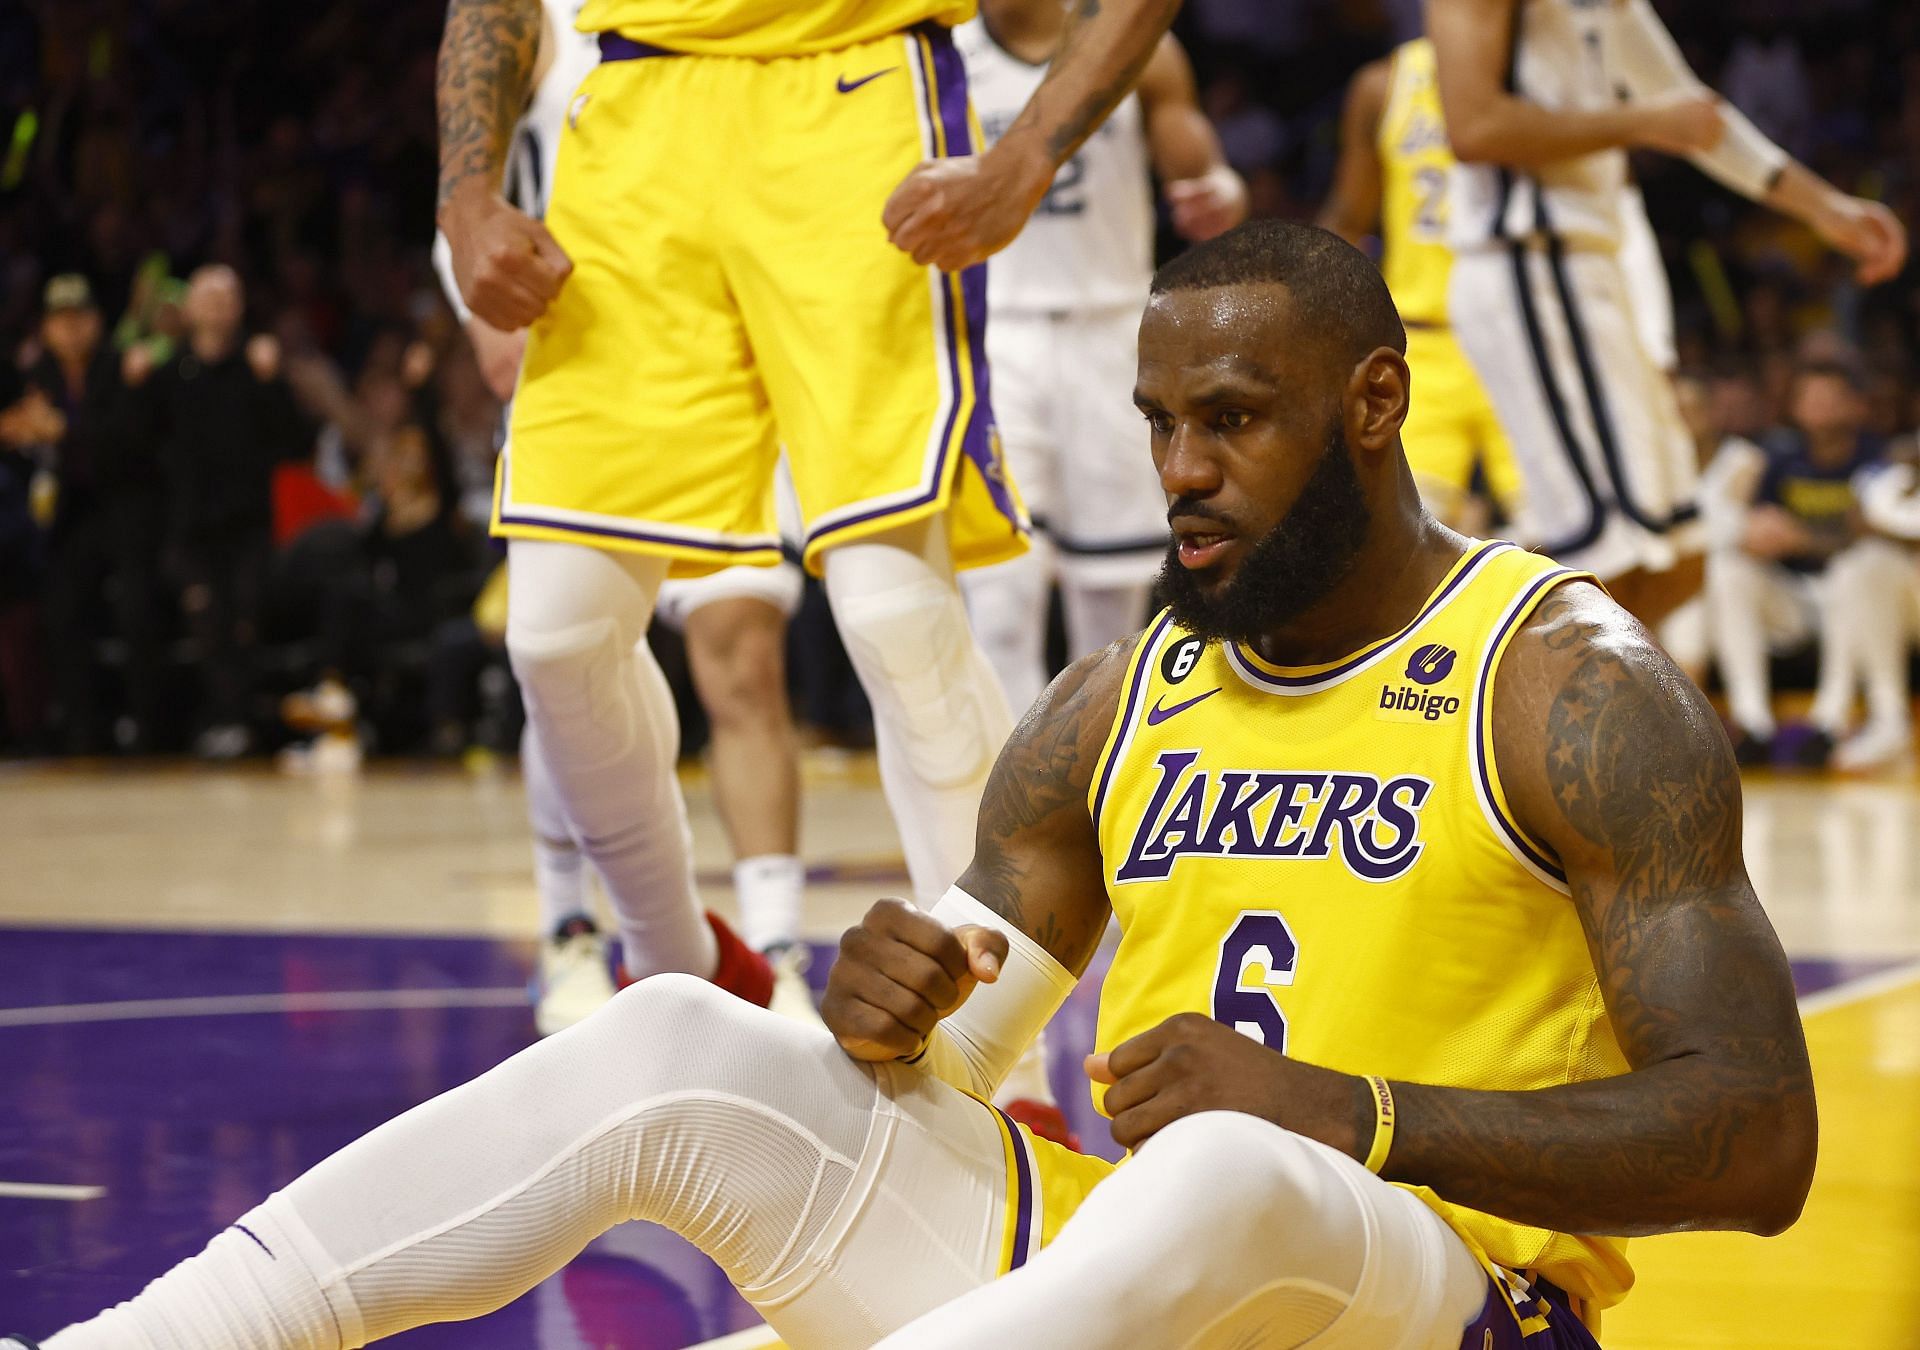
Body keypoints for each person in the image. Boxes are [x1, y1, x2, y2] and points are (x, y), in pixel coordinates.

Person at [45, 222, 1817, 1350]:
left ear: (1373, 402)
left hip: (1451, 1309)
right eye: (1156, 424)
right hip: (1136, 1287)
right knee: (686, 1041)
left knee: (1220, 1170)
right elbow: (956, 1046)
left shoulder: (1569, 687)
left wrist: (1343, 1111)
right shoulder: (1126, 696)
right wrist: (890, 1015)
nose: (1179, 474)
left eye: (1233, 422)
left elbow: (1755, 1141)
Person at [435, 0, 1184, 1127]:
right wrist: (465, 194)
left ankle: (1004, 1072)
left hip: (854, 103)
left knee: (897, 612)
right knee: (556, 630)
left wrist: (1027, 153)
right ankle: (684, 967)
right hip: (631, 119)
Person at [430, 0, 808, 1032]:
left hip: (730, 360)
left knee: (744, 654)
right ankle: (571, 934)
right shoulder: (536, 17)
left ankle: (773, 945)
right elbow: (469, 194)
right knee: (565, 660)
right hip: (586, 358)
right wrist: (479, 312)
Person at [1426, 0, 1908, 629]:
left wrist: (1825, 210)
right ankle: (1477, 699)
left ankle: (1546, 706)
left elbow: (1694, 113)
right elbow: (1475, 126)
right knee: (1597, 562)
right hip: (1526, 265)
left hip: (1593, 267)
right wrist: (1639, 123)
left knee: (1678, 560)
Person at [956, 0, 1246, 717]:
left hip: (1113, 334)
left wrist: (1220, 195)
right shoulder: (946, 53)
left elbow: (1210, 176)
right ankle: (1013, 804)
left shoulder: (1138, 45)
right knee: (999, 596)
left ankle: (1102, 787)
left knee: (1110, 601)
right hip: (997, 337)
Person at [1317, 37, 1520, 533]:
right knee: (1404, 542)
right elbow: (1348, 217)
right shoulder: (1384, 85)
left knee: (1569, 553)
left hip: (1521, 342)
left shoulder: (1542, 72)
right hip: (1421, 346)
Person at [124, 264, 311, 759]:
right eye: (207, 296)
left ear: (241, 305)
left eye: (227, 296)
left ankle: (244, 724)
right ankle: (225, 721)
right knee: (206, 616)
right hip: (190, 528)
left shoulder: (256, 365)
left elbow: (294, 442)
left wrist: (274, 381)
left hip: (248, 525)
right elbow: (137, 449)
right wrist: (135, 386)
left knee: (248, 618)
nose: (217, 306)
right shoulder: (169, 373)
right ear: (188, 308)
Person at [1706, 361, 1908, 772]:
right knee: (1729, 569)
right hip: (1797, 599)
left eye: (1831, 398)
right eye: (1810, 398)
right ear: (1794, 407)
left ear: (1856, 406)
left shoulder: (1878, 458)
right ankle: (1752, 722)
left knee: (1854, 568)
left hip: (1854, 603)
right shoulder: (1778, 457)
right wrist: (1756, 533)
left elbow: (1876, 533)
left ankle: (1827, 723)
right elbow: (1752, 524)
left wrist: (1805, 537)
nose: (1819, 408)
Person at [20, 275, 164, 754]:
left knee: (137, 609)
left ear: (97, 322)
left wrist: (63, 432)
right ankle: (83, 732)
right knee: (61, 609)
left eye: (80, 318)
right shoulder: (37, 375)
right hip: (72, 513)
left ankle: (148, 729)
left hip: (126, 506)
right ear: (47, 328)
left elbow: (130, 443)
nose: (72, 330)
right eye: (61, 320)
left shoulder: (123, 366)